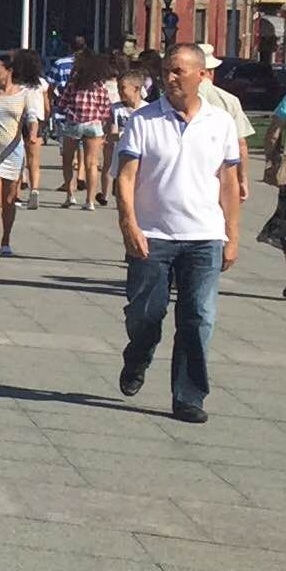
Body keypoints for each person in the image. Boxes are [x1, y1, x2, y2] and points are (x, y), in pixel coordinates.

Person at [120, 56, 245, 419]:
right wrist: (129, 224)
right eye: (166, 71)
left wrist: (231, 235)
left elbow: (229, 182)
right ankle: (139, 354)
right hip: (153, 235)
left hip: (204, 236)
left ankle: (189, 396)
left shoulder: (219, 122)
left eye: (179, 71)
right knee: (146, 314)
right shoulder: (143, 120)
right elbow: (125, 177)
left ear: (202, 76)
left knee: (198, 317)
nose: (170, 78)